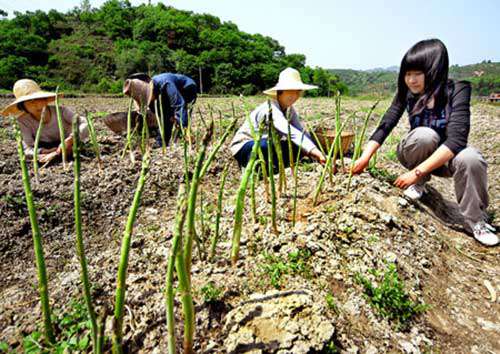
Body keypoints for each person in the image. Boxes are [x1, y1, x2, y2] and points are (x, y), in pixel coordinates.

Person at [351, 39, 497, 246]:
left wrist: (416, 172)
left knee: (471, 158)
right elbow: (387, 122)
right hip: (417, 150)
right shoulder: (407, 93)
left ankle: (475, 221)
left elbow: (457, 140)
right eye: (407, 74)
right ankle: (419, 186)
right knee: (425, 135)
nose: (411, 80)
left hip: (446, 158)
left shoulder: (457, 90)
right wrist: (365, 157)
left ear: (435, 70)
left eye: (417, 73)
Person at [230, 67, 326, 170]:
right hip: (247, 145)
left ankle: (274, 165)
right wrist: (315, 151)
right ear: (280, 91)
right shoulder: (270, 108)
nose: (295, 95)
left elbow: (300, 131)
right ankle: (255, 166)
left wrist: (317, 149)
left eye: (297, 91)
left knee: (294, 145)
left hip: (270, 144)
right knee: (264, 146)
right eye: (290, 91)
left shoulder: (289, 109)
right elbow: (290, 132)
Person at [1, 79, 88, 164]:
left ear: (45, 100)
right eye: (29, 102)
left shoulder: (62, 111)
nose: (36, 105)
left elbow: (84, 123)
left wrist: (71, 139)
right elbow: (27, 149)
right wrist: (44, 151)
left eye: (38, 99)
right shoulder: (23, 121)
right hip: (46, 148)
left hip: (72, 145)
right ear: (23, 107)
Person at [122, 72, 197, 146]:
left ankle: (184, 134)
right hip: (163, 92)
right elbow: (160, 115)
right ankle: (162, 141)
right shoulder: (150, 96)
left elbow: (179, 105)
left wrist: (181, 124)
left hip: (187, 88)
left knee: (179, 116)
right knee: (165, 116)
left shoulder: (166, 84)